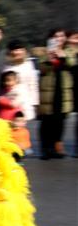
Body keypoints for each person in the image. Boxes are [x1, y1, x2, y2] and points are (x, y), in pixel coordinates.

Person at [37, 29, 75, 159]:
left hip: (63, 92)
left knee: (60, 122)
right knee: (46, 122)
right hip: (48, 92)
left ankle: (55, 147)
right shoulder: (44, 51)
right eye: (55, 36)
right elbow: (41, 68)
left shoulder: (69, 50)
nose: (59, 38)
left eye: (61, 36)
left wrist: (63, 56)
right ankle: (45, 148)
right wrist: (49, 58)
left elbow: (72, 63)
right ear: (50, 38)